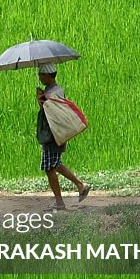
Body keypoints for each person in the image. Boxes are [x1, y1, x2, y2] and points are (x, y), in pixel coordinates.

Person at [36, 63, 90, 210]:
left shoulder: (53, 93)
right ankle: (76, 188)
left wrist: (43, 101)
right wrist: (43, 99)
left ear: (48, 76)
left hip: (53, 135)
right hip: (53, 134)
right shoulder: (52, 91)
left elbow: (54, 114)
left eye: (41, 75)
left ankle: (77, 187)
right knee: (54, 165)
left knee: (50, 167)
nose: (39, 77)